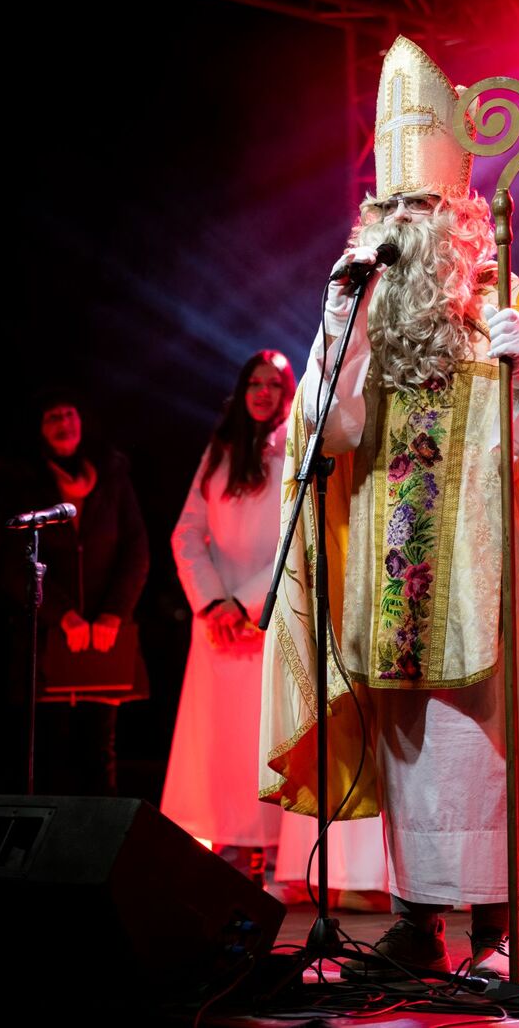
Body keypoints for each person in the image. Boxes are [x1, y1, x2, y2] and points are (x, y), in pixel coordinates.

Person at [258, 34, 519, 981]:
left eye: (418, 208)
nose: (400, 225)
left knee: (479, 760)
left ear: (458, 217)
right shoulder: (361, 310)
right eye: (387, 207)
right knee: (407, 759)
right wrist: (337, 327)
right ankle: (415, 924)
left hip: (485, 582)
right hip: (387, 583)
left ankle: (491, 930)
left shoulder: (514, 304)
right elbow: (328, 434)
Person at [160, 349, 295, 887]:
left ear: (287, 393)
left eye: (273, 384)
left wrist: (246, 603)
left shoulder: (296, 447)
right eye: (254, 383)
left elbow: (297, 538)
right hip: (217, 625)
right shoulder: (220, 450)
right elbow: (187, 532)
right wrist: (214, 602)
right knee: (220, 744)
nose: (262, 393)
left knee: (267, 740)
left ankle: (280, 859)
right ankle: (229, 853)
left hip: (269, 617)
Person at [0, 385, 150, 796]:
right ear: (39, 427)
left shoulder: (111, 472)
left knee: (100, 752)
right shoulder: (20, 478)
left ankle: (101, 838)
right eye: (53, 417)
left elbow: (136, 550)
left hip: (104, 637)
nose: (63, 423)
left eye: (69, 414)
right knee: (51, 754)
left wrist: (115, 612)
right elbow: (11, 561)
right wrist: (62, 614)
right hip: (48, 639)